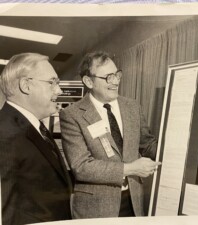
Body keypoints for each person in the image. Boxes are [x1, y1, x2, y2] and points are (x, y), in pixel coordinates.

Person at [59, 51, 160, 218]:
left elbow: (147, 144)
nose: (115, 82)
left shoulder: (132, 106)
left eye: (117, 75)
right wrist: (130, 169)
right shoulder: (72, 115)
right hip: (96, 208)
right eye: (108, 77)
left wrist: (176, 150)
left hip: (133, 201)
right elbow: (81, 166)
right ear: (88, 81)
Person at [0, 53, 72, 225]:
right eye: (52, 82)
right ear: (26, 85)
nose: (59, 90)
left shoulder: (35, 127)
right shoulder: (5, 133)